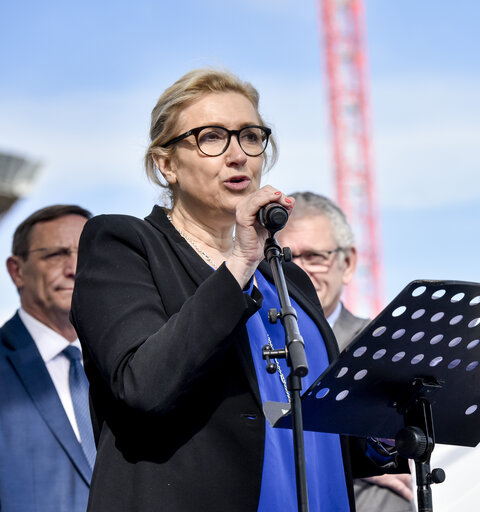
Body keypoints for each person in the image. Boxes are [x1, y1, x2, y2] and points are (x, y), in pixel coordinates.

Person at [70, 68, 400, 512]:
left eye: (249, 136)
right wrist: (240, 261)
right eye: (211, 138)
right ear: (166, 164)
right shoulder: (124, 245)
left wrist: (386, 421)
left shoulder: (286, 275)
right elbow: (142, 388)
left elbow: (318, 427)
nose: (237, 155)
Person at [278, 191, 415, 512]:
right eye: (287, 258)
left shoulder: (386, 346)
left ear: (348, 263)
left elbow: (399, 449)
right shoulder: (255, 347)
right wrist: (350, 464)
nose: (300, 270)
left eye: (314, 256)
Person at [0, 204, 93, 512]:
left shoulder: (127, 363)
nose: (74, 268)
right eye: (56, 254)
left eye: (86, 253)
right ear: (17, 271)